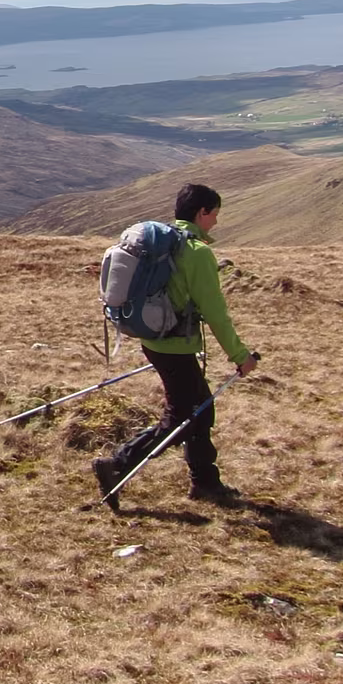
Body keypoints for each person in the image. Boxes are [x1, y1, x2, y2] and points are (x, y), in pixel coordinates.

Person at [93, 182, 260, 510]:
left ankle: (205, 481)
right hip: (175, 346)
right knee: (182, 417)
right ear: (202, 212)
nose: (216, 221)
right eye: (215, 214)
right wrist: (240, 356)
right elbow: (215, 312)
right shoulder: (196, 252)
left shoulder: (166, 244)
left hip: (154, 340)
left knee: (200, 410)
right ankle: (116, 464)